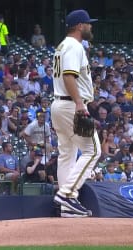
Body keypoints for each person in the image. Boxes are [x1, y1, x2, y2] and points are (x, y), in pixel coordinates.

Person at [51, 9, 101, 218]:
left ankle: (67, 207)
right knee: (93, 151)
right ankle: (67, 195)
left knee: (67, 155)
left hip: (60, 105)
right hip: (72, 105)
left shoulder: (63, 45)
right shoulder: (74, 45)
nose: (90, 26)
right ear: (80, 25)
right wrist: (80, 104)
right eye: (88, 23)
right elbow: (69, 76)